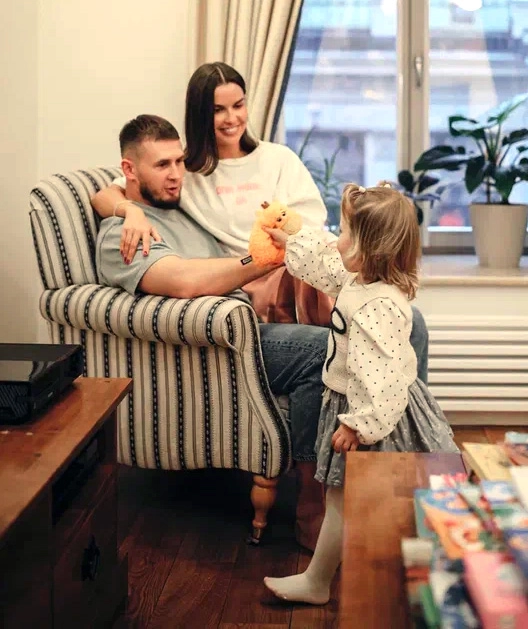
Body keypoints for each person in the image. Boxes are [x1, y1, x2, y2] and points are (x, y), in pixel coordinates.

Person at [90, 61, 429, 383]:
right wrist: (130, 212)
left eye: (238, 105)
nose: (231, 118)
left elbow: (312, 228)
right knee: (368, 336)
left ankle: (408, 419)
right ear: (200, 114)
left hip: (308, 269)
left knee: (410, 324)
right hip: (252, 282)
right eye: (218, 110)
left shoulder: (277, 158)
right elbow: (109, 193)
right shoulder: (185, 172)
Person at [97, 113, 330, 550]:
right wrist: (265, 260)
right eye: (161, 165)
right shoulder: (121, 236)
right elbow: (183, 281)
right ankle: (312, 505)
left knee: (392, 327)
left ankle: (402, 472)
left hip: (248, 327)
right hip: (218, 350)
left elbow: (105, 194)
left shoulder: (178, 208)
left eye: (178, 162)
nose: (176, 175)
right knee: (325, 350)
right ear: (129, 169)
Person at [262, 183, 459, 605]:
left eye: (348, 234)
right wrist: (292, 239)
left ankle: (331, 580)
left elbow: (381, 377)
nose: (339, 241)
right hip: (360, 405)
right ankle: (326, 579)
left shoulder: (376, 307)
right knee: (345, 499)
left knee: (351, 498)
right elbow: (325, 266)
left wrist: (358, 425)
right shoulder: (360, 279)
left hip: (372, 414)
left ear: (373, 249)